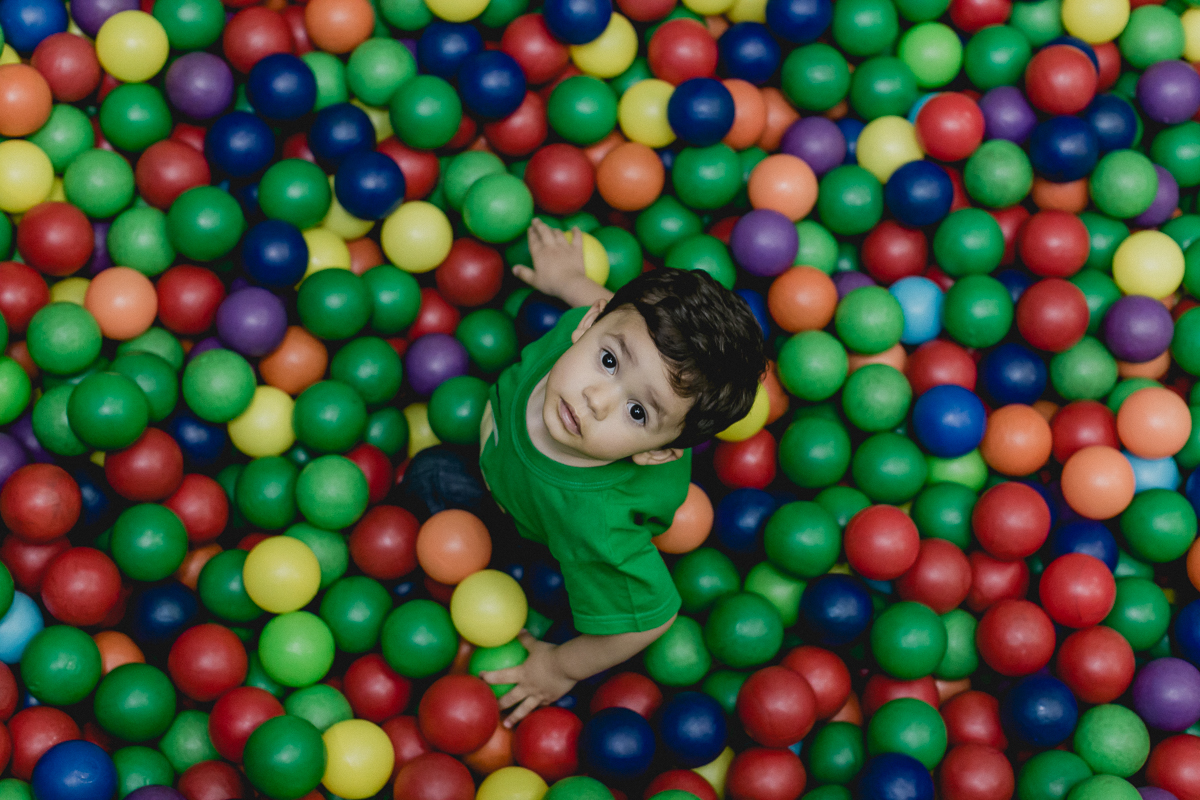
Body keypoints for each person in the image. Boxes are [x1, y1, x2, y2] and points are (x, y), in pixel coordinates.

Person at [474, 218, 767, 726]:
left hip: (535, 520)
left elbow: (648, 621)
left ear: (656, 453)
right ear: (589, 323)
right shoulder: (590, 331)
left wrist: (560, 669)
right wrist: (566, 280)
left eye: (638, 413)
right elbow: (628, 326)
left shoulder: (598, 526)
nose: (597, 397)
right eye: (609, 361)